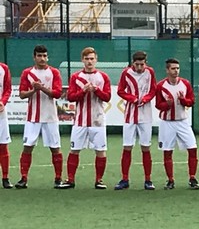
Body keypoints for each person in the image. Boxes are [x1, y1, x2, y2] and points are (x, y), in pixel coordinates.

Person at [61, 47, 112, 189]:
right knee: (74, 149)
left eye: (92, 59)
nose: (89, 61)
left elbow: (107, 97)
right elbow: (70, 97)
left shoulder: (103, 77)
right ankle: (70, 180)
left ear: (96, 59)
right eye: (87, 59)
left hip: (98, 120)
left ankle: (99, 180)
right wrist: (83, 91)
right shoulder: (76, 77)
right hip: (80, 120)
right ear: (82, 60)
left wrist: (96, 90)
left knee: (100, 150)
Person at [16, 44, 64, 189]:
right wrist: (33, 90)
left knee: (55, 147)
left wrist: (41, 88)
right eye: (39, 56)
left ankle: (58, 178)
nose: (42, 59)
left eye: (44, 56)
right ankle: (23, 178)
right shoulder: (27, 73)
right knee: (28, 146)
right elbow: (22, 94)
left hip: (50, 117)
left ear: (47, 56)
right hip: (33, 118)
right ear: (34, 57)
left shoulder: (54, 72)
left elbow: (57, 93)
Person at [154, 57, 199, 189]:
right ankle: (170, 180)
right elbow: (158, 105)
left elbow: (191, 101)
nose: (176, 71)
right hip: (167, 122)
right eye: (173, 68)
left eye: (177, 68)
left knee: (192, 148)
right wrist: (166, 104)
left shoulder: (185, 84)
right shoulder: (161, 86)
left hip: (183, 121)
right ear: (167, 70)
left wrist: (183, 100)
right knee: (167, 151)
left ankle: (192, 178)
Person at [115, 51, 157, 190]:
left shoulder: (150, 72)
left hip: (145, 115)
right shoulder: (126, 73)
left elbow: (153, 90)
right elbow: (120, 91)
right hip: (129, 115)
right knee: (127, 146)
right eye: (137, 64)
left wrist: (145, 99)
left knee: (146, 146)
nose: (139, 67)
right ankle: (125, 179)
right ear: (133, 63)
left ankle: (148, 180)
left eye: (142, 64)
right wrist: (132, 98)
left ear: (146, 62)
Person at [0, 57, 12, 189]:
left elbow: (8, 89)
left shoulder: (3, 68)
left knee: (2, 145)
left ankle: (5, 177)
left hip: (0, 113)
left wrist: (3, 102)